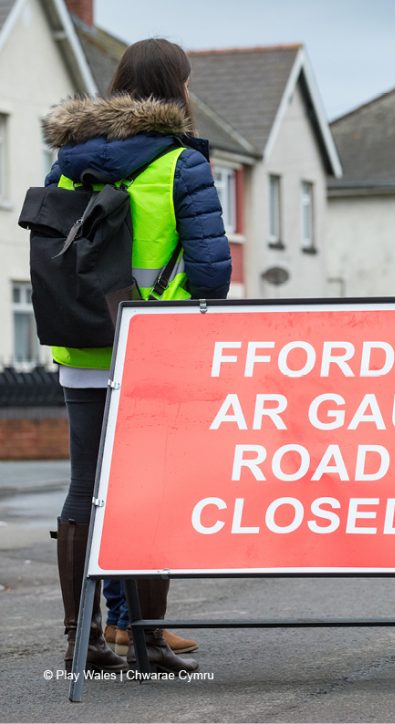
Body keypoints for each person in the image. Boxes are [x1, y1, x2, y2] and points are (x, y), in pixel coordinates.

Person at [43, 38, 231, 673]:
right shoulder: (181, 164)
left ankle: (82, 641)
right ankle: (146, 640)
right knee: (153, 491)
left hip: (83, 348)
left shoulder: (67, 162)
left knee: (84, 490)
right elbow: (211, 275)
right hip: (157, 354)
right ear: (175, 90)